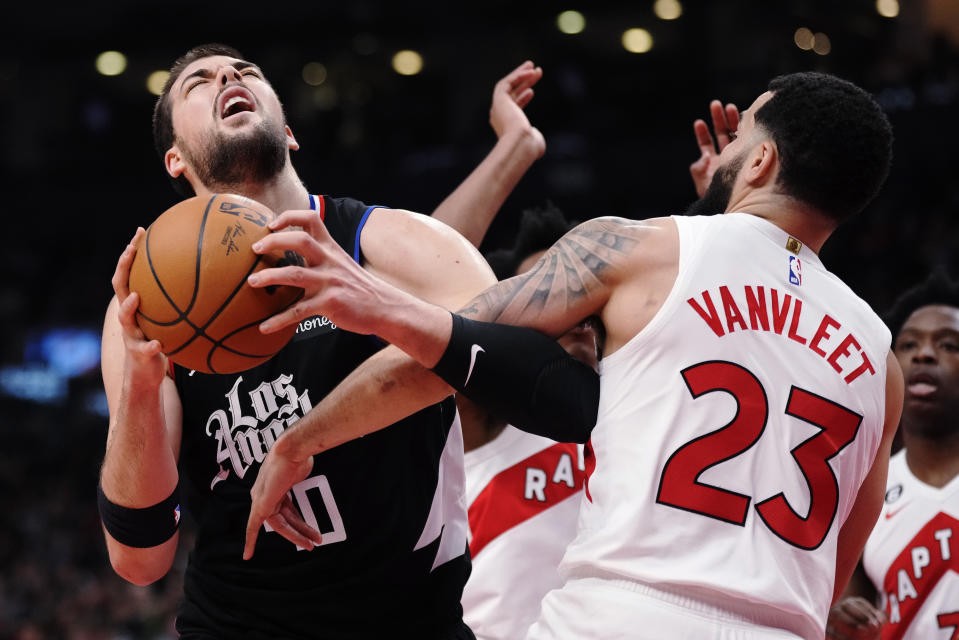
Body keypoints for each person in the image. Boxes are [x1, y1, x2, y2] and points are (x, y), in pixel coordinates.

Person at [245, 71, 903, 639]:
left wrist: (300, 440)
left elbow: (442, 351)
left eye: (740, 138)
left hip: (621, 615)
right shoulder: (879, 357)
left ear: (759, 165)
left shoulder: (636, 249)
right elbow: (837, 552)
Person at [99, 42, 547, 638]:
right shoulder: (146, 306)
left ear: (288, 132)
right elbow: (140, 559)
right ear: (175, 161)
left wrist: (308, 430)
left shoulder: (389, 240)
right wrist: (139, 388)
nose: (229, 75)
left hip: (410, 620)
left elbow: (516, 363)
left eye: (246, 71)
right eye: (197, 83)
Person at [458, 204, 601, 640]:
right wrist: (516, 147)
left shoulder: (644, 408)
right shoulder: (484, 414)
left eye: (580, 293)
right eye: (546, 295)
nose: (571, 311)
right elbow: (431, 301)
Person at [826, 270, 959, 640]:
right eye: (909, 345)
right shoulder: (862, 488)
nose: (925, 355)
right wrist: (840, 623)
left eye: (949, 345)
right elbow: (845, 618)